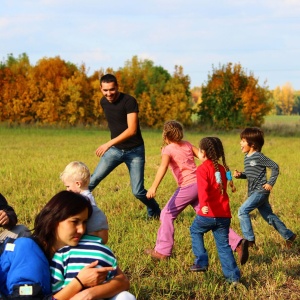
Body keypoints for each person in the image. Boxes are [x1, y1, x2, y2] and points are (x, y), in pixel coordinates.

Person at [144, 121, 248, 265]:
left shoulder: (168, 150)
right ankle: (237, 243)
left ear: (165, 135)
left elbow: (162, 167)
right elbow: (204, 156)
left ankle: (162, 251)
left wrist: (153, 187)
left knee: (166, 213)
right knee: (210, 215)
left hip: (188, 187)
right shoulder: (186, 145)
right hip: (200, 185)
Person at [33, 190, 136, 300]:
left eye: (84, 222)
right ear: (54, 219)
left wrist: (90, 293)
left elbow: (122, 281)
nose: (81, 230)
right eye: (74, 221)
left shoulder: (87, 248)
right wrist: (80, 282)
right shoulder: (33, 250)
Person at [88, 74, 161, 219]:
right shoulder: (103, 102)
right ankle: (76, 212)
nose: (109, 94)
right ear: (101, 89)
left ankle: (155, 210)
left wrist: (109, 143)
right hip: (115, 150)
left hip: (135, 151)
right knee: (91, 182)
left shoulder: (129, 101)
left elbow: (132, 130)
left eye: (112, 89)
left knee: (138, 191)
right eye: (105, 90)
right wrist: (112, 145)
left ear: (117, 87)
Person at [234, 127, 296, 248]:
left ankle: (249, 241)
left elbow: (275, 167)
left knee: (242, 211)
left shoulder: (258, 156)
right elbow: (251, 175)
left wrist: (270, 183)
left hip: (261, 191)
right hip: (253, 192)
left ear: (251, 144)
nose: (240, 143)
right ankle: (289, 236)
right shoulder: (247, 157)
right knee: (269, 217)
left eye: (243, 141)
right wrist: (241, 175)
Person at [190, 137, 241, 284]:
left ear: (203, 152)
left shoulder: (203, 169)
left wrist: (204, 204)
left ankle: (201, 261)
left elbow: (203, 190)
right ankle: (233, 279)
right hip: (224, 215)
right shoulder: (222, 169)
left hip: (209, 213)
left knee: (195, 230)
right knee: (224, 246)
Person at [60, 161, 109, 244]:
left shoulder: (81, 200)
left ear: (78, 184)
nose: (67, 190)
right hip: (102, 232)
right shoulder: (89, 197)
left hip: (90, 235)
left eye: (68, 186)